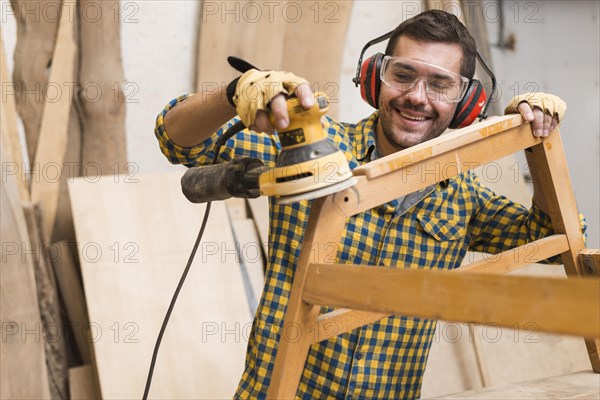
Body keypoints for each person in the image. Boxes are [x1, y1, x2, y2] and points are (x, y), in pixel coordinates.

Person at [155, 10, 583, 400]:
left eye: (439, 85)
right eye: (404, 74)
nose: (417, 96)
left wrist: (535, 141)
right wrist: (233, 94)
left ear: (466, 104)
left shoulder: (464, 199)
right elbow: (177, 141)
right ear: (374, 77)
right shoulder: (310, 149)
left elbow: (550, 233)